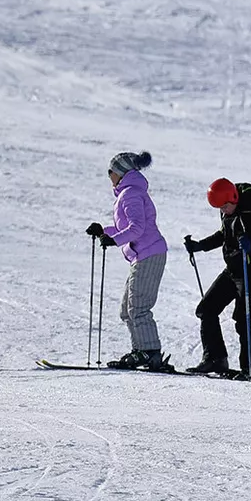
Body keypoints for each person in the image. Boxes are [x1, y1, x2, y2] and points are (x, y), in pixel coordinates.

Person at [87, 152, 172, 371]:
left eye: (111, 171)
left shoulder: (131, 194)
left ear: (121, 172)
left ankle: (150, 352)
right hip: (142, 255)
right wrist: (103, 231)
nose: (109, 175)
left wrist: (113, 240)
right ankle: (140, 351)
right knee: (127, 310)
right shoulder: (129, 192)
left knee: (139, 307)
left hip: (149, 253)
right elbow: (125, 228)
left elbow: (137, 228)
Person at [184, 179, 251, 378]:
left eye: (225, 206)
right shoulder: (227, 210)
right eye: (219, 208)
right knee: (206, 309)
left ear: (234, 197)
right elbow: (223, 234)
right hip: (233, 269)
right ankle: (215, 359)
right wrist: (200, 246)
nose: (223, 211)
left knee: (243, 317)